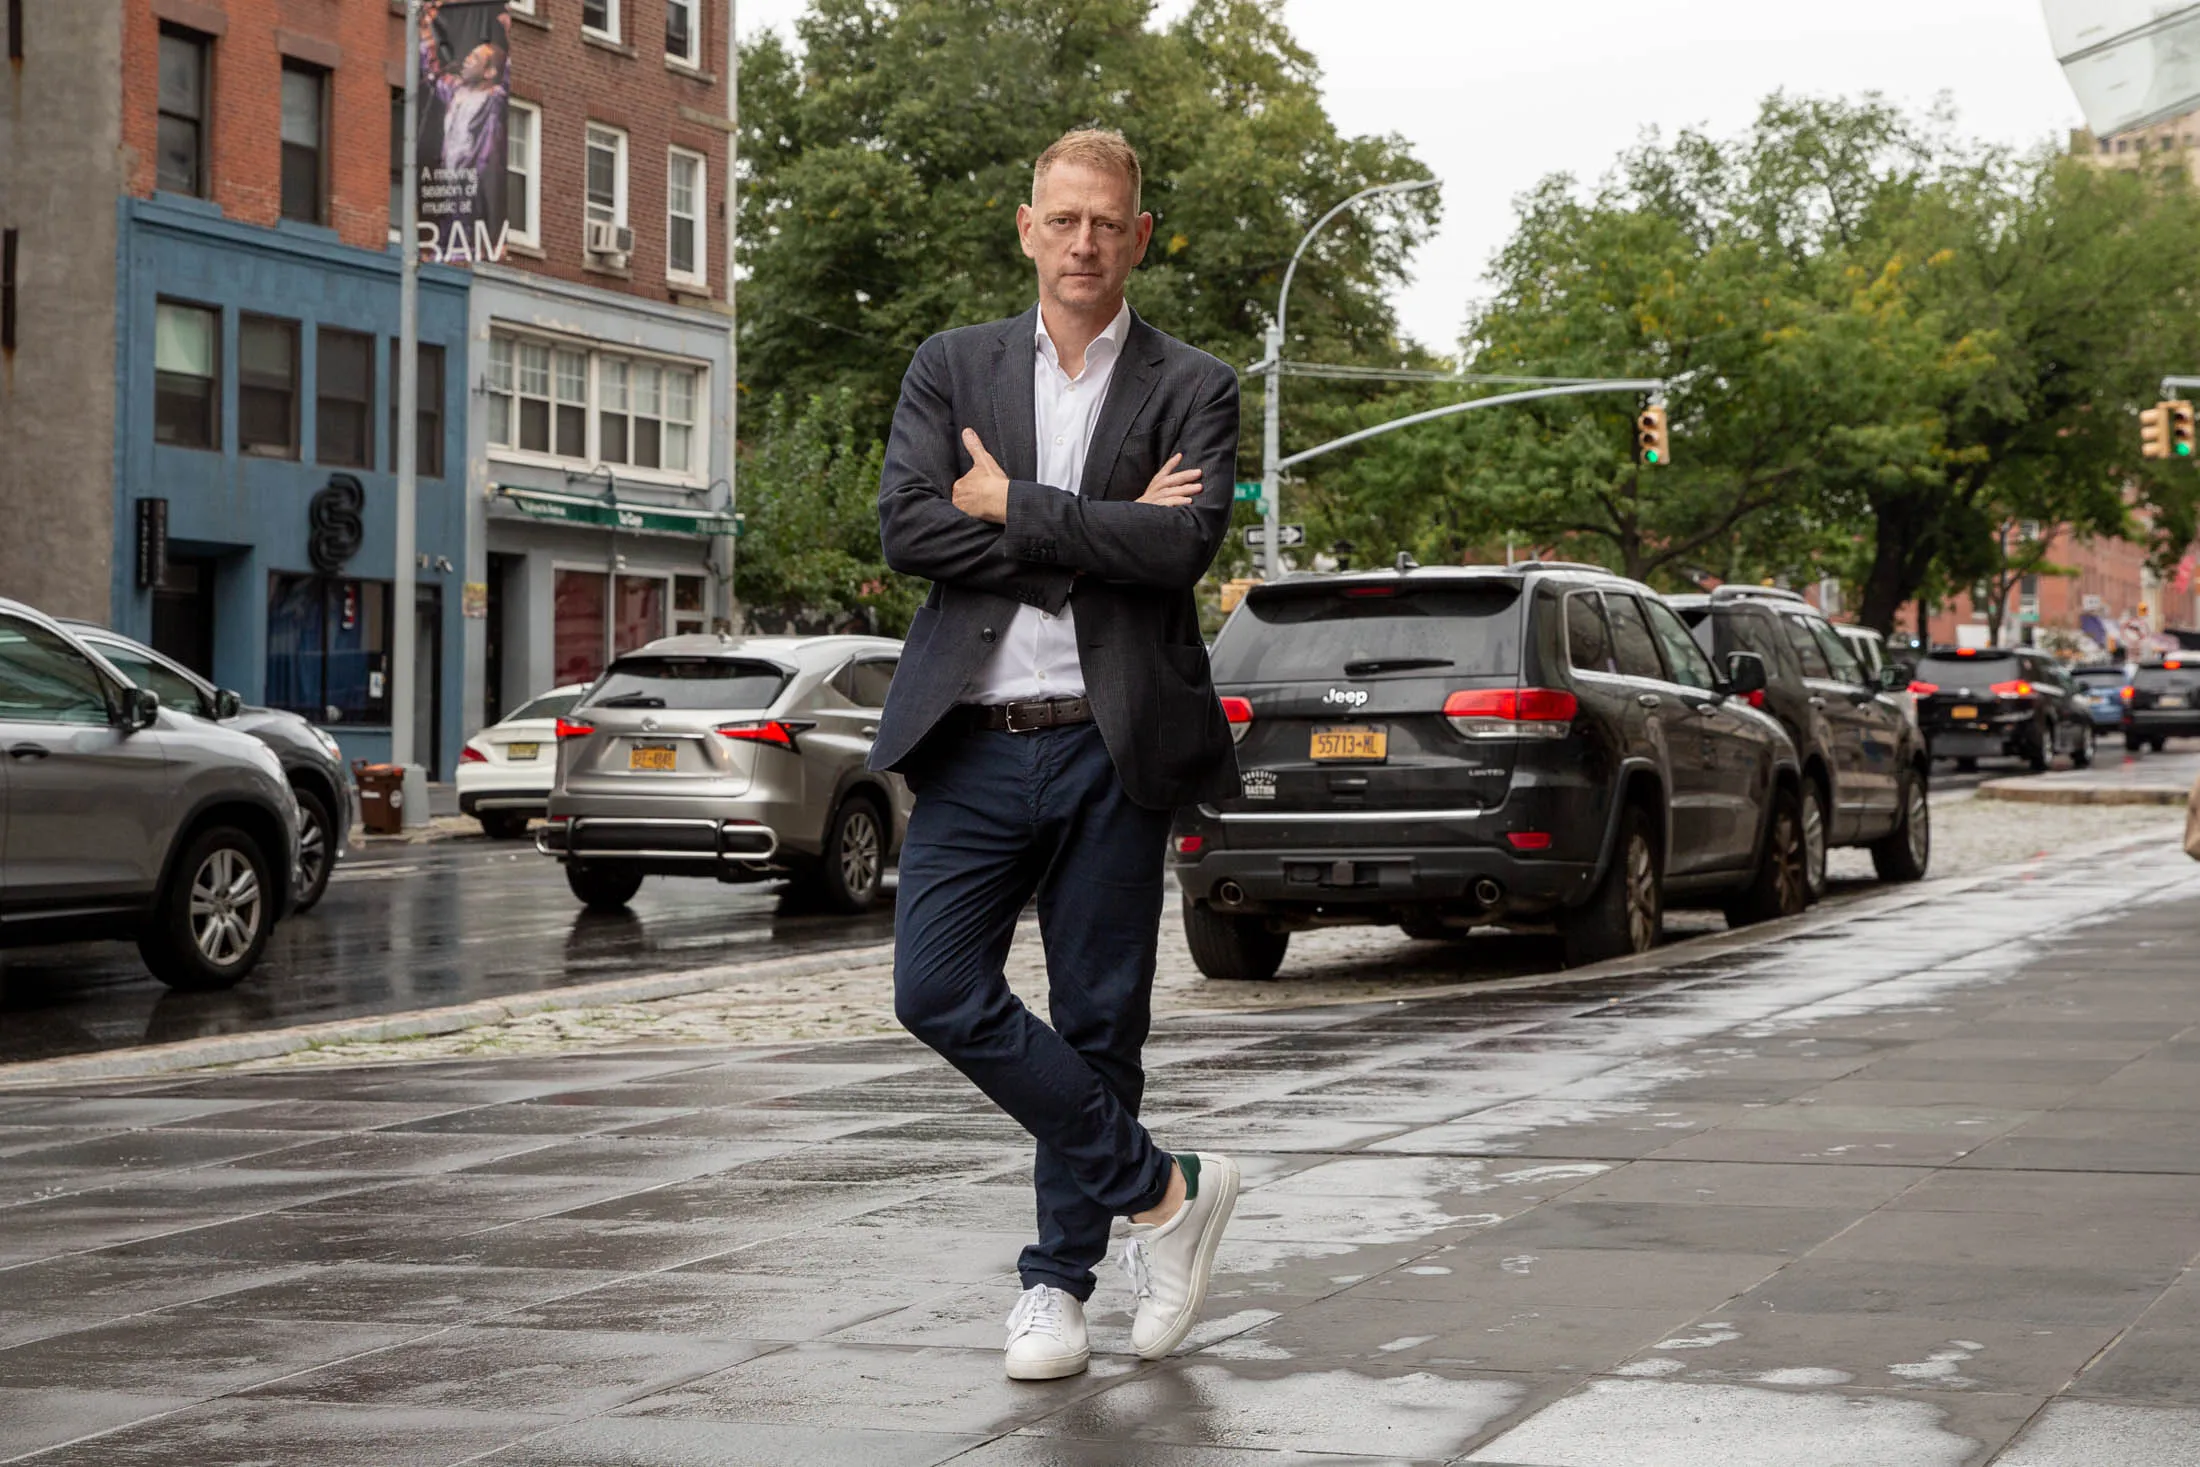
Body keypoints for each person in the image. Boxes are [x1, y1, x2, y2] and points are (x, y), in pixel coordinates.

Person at [871, 128, 1244, 1381]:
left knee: (1098, 1024)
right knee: (933, 991)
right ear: (1025, 226)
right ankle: (1166, 1194)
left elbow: (1178, 554)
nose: (1084, 243)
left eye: (1109, 223)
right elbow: (912, 529)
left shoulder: (1196, 385)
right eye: (1063, 220)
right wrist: (1098, 531)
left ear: (1139, 236)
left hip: (1112, 740)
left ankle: (1057, 1286)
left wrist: (1017, 510)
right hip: (974, 742)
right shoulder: (951, 367)